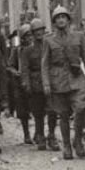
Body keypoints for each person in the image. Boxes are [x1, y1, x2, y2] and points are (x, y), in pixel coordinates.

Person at [41, 6, 85, 160]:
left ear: (69, 20)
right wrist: (46, 84)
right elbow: (45, 63)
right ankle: (66, 145)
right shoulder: (48, 39)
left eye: (64, 17)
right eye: (58, 18)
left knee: (80, 109)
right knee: (63, 114)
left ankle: (77, 140)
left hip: (77, 78)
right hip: (58, 80)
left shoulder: (79, 36)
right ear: (54, 22)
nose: (61, 20)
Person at [20, 18, 57, 151]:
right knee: (38, 112)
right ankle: (40, 136)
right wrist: (27, 84)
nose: (38, 33)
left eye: (40, 30)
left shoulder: (51, 45)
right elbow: (24, 69)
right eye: (35, 31)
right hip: (35, 83)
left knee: (52, 110)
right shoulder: (28, 50)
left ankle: (51, 135)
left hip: (51, 82)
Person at [8, 24, 32, 144]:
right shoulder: (16, 50)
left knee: (37, 108)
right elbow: (10, 65)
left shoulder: (37, 48)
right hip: (20, 84)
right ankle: (26, 134)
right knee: (22, 111)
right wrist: (15, 72)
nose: (29, 38)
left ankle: (39, 133)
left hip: (34, 82)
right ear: (22, 38)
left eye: (30, 35)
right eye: (27, 36)